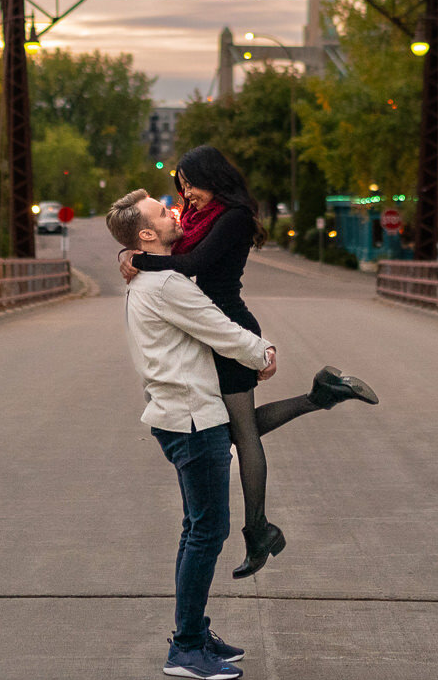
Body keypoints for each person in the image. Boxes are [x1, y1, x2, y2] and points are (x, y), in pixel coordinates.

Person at [119, 144, 379, 579]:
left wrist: (138, 260)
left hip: (229, 326)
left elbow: (192, 263)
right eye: (180, 186)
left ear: (211, 177)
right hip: (213, 327)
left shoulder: (232, 218)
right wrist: (129, 253)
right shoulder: (201, 218)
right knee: (233, 429)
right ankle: (322, 395)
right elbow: (166, 244)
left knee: (242, 435)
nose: (186, 195)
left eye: (189, 183)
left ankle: (258, 529)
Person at [106, 187, 273, 680]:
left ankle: (194, 632)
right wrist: (263, 353)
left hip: (176, 416)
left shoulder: (151, 275)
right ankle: (185, 648)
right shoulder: (166, 285)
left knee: (196, 528)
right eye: (163, 211)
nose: (174, 211)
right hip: (194, 420)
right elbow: (217, 327)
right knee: (207, 533)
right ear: (146, 234)